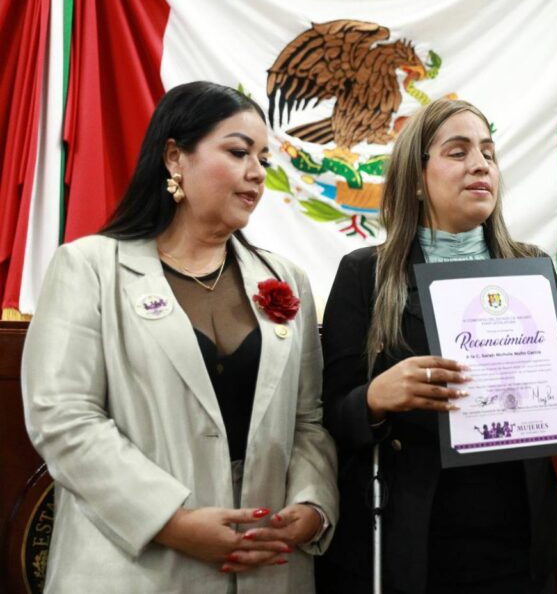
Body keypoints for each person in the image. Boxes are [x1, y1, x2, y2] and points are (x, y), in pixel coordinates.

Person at [316, 97, 557, 594]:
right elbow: (331, 415)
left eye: (488, 152)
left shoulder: (529, 268)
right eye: (458, 152)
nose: (480, 164)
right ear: (415, 178)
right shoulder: (364, 273)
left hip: (518, 541)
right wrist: (375, 398)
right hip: (410, 543)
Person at [21, 81, 339, 593]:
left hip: (265, 563)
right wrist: (172, 522)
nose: (257, 173)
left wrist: (311, 505)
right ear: (175, 157)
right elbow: (63, 419)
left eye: (263, 159)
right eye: (238, 152)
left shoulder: (286, 280)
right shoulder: (90, 267)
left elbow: (308, 421)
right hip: (132, 567)